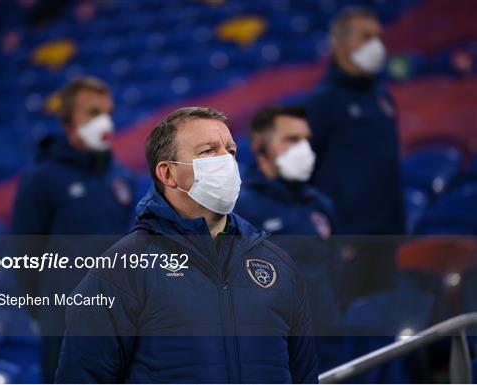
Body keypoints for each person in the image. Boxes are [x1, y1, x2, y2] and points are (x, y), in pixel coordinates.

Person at [56, 107, 318, 383]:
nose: (226, 162)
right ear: (168, 174)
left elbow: (305, 376)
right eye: (207, 151)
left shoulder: (277, 264)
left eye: (230, 151)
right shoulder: (119, 273)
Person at [11, 76, 135, 381]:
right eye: (93, 113)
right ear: (68, 118)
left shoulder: (122, 179)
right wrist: (42, 310)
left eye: (108, 113)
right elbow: (24, 253)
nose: (104, 121)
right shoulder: (41, 178)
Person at [305, 8, 405, 302]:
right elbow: (304, 169)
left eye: (379, 37)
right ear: (341, 45)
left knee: (382, 318)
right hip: (346, 240)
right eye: (367, 37)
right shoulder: (323, 101)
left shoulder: (382, 96)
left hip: (388, 236)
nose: (377, 45)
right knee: (349, 326)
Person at [235, 105, 340, 371]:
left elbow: (335, 273)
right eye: (292, 140)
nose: (304, 149)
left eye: (306, 140)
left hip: (325, 346)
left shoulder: (320, 204)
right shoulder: (238, 208)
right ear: (261, 144)